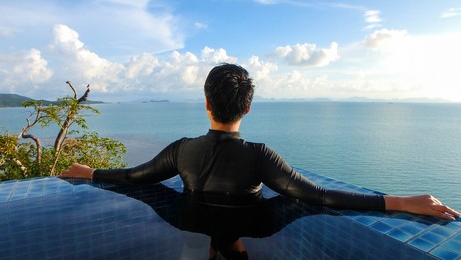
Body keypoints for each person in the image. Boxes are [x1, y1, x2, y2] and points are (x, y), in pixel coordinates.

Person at [60, 63, 460, 221]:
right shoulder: (259, 156)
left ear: (205, 103)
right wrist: (401, 201)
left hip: (191, 224)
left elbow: (136, 177)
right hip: (254, 230)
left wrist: (90, 172)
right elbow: (316, 195)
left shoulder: (182, 149)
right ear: (247, 109)